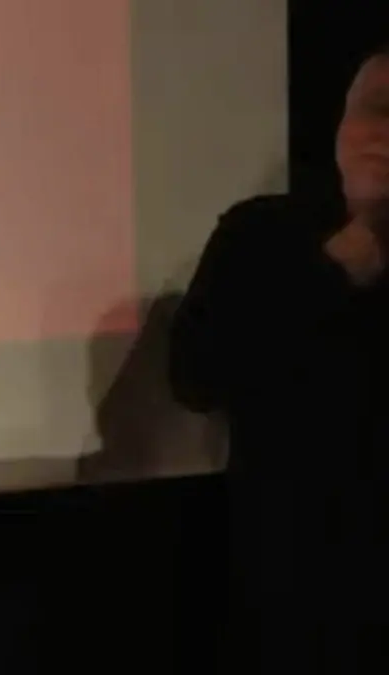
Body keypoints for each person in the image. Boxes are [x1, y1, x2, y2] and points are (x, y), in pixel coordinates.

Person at [169, 45, 389, 673]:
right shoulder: (263, 233)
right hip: (288, 601)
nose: (381, 132)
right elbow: (195, 375)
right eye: (370, 109)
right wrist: (329, 273)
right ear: (340, 125)